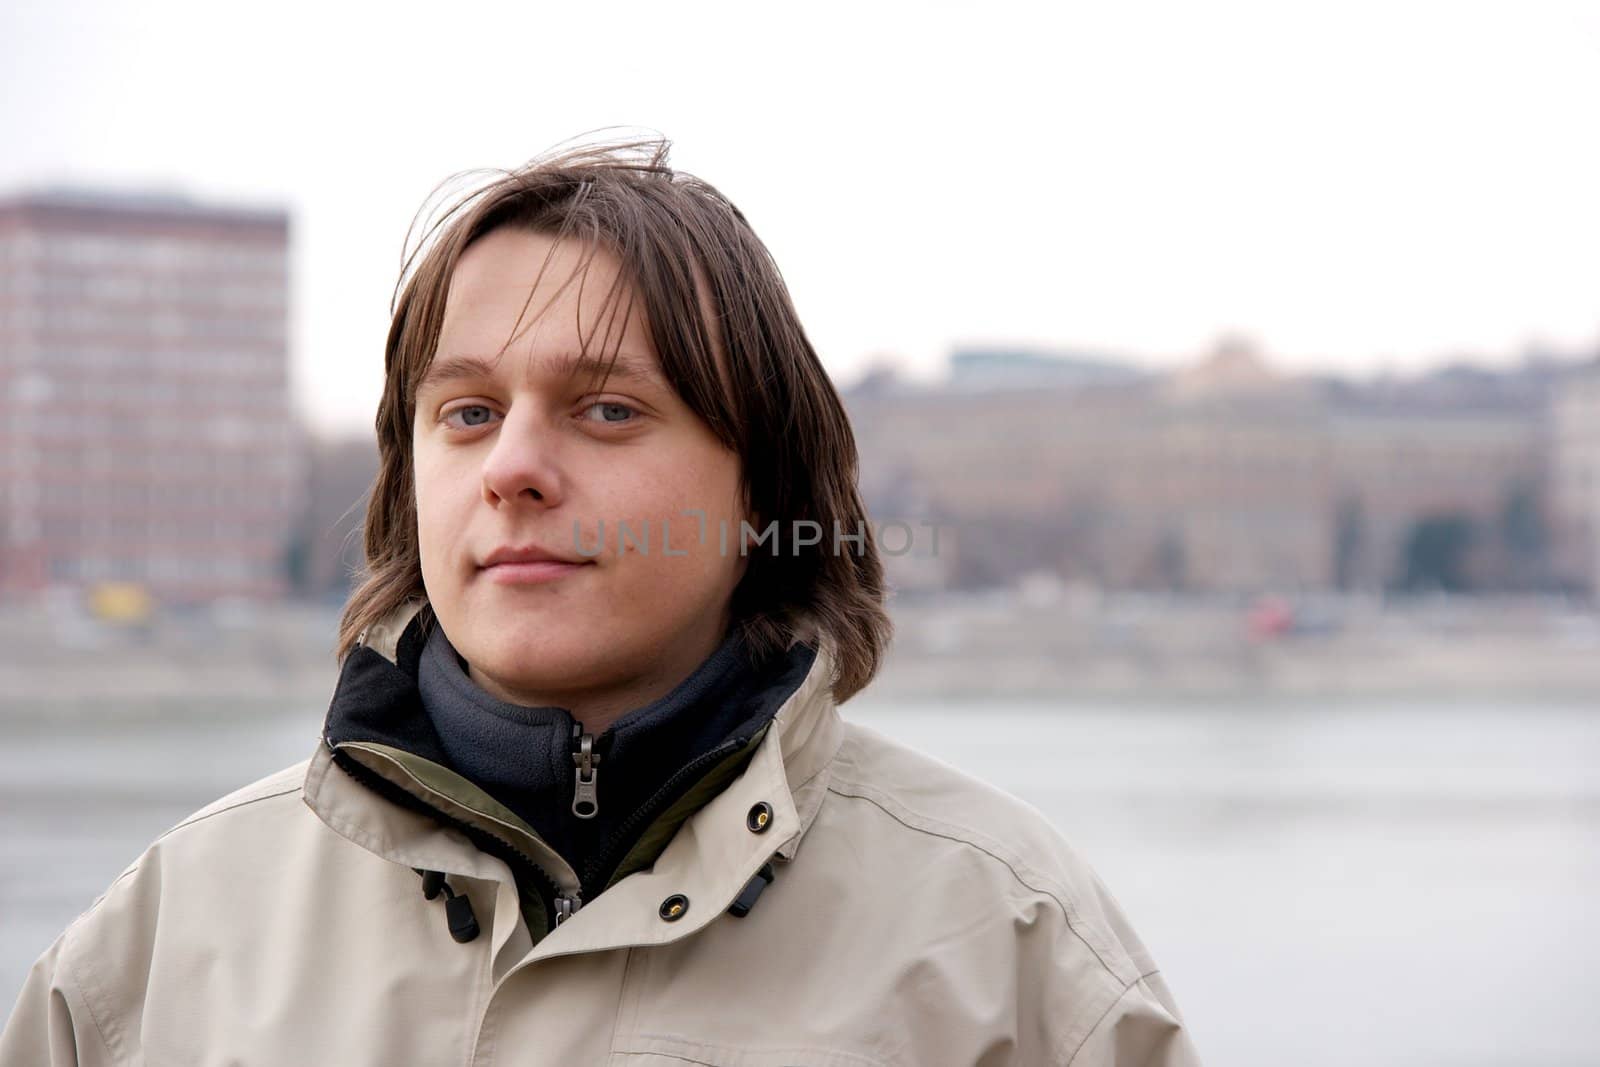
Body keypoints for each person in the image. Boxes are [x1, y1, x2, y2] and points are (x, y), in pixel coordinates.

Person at [0, 135, 1200, 1066]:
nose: (512, 464)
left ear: (762, 487)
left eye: (607, 409)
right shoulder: (164, 936)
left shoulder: (1002, 937)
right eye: (466, 411)